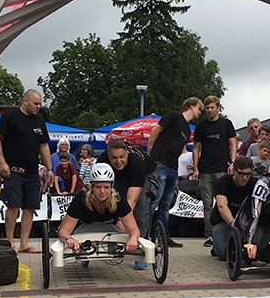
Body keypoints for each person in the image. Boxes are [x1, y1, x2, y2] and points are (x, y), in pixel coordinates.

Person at [0, 89, 53, 254]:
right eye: (35, 103)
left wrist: (49, 169)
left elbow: (44, 146)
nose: (38, 107)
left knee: (30, 207)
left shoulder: (39, 121)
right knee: (13, 206)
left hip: (32, 172)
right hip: (13, 171)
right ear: (25, 101)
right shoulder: (9, 117)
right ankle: (9, 241)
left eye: (40, 104)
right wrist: (3, 163)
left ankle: (24, 243)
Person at [147, 97, 202, 248]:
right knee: (154, 201)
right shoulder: (174, 116)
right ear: (191, 106)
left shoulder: (187, 128)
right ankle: (144, 235)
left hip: (173, 168)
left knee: (165, 205)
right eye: (199, 108)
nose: (200, 112)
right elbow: (155, 131)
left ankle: (164, 236)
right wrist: (150, 151)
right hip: (160, 164)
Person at [57, 164, 139, 253]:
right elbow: (64, 230)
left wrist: (133, 238)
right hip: (82, 229)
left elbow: (134, 229)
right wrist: (69, 239)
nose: (102, 191)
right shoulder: (81, 198)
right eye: (98, 187)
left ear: (112, 187)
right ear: (91, 187)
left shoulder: (119, 199)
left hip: (109, 228)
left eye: (106, 187)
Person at [193, 95, 237, 247]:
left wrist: (233, 163)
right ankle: (210, 234)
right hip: (205, 169)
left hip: (222, 168)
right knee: (207, 204)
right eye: (207, 108)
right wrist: (196, 167)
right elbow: (196, 148)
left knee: (224, 202)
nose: (210, 110)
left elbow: (233, 144)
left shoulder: (226, 124)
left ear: (218, 108)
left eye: (212, 107)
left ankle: (228, 230)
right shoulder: (201, 126)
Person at [97, 139, 156, 238]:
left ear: (127, 154)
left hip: (145, 175)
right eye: (114, 158)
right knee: (113, 201)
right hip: (120, 178)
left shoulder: (137, 164)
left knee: (140, 204)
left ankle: (141, 239)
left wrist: (122, 220)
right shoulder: (102, 162)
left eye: (121, 157)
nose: (118, 161)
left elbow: (132, 200)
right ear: (108, 156)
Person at [210, 156, 257, 260]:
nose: (244, 178)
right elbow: (222, 206)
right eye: (241, 174)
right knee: (224, 255)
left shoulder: (254, 183)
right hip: (223, 221)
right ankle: (217, 245)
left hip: (245, 221)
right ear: (234, 171)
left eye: (248, 174)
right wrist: (233, 224)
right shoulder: (223, 182)